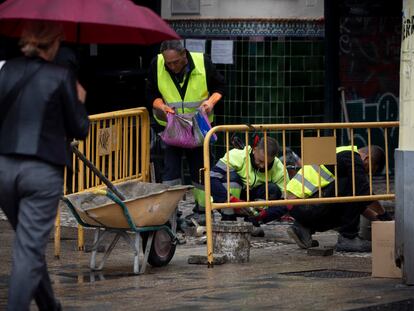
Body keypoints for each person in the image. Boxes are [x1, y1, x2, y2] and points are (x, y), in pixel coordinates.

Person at [0, 21, 89, 310]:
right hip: (42, 172)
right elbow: (79, 128)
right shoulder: (61, 75)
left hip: (4, 168)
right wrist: (79, 100)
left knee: (30, 246)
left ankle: (50, 305)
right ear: (52, 45)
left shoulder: (7, 70)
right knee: (28, 249)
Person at [146, 40, 226, 227]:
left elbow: (220, 87)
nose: (172, 66)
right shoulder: (157, 64)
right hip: (170, 127)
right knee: (170, 171)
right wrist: (162, 106)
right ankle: (170, 213)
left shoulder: (202, 62)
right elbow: (150, 93)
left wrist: (210, 103)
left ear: (184, 55)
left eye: (176, 62)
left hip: (198, 127)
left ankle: (203, 211)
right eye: (169, 63)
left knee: (200, 168)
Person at [286, 145, 391, 252]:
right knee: (355, 185)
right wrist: (383, 214)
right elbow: (362, 192)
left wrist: (378, 219)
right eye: (369, 169)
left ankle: (303, 227)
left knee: (353, 191)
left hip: (296, 205)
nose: (366, 173)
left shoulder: (342, 152)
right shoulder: (352, 158)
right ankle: (348, 238)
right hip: (305, 206)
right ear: (367, 158)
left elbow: (355, 204)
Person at [210, 137, 290, 235]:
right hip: (231, 198)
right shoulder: (236, 155)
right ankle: (229, 219)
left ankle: (252, 222)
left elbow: (287, 201)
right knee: (230, 177)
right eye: (260, 161)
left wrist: (267, 214)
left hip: (254, 202)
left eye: (268, 163)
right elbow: (212, 178)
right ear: (254, 149)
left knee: (273, 189)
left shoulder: (279, 168)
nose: (263, 166)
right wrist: (230, 199)